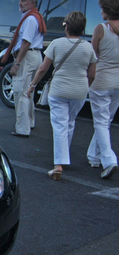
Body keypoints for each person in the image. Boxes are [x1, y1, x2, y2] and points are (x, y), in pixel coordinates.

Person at [27, 11, 97, 181]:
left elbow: (43, 68)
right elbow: (92, 73)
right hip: (79, 91)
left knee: (59, 124)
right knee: (70, 123)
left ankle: (59, 164)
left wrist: (33, 85)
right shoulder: (88, 47)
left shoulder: (57, 44)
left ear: (66, 26)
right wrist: (86, 86)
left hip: (59, 90)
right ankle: (64, 159)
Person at [1, 0, 46, 138]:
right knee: (29, 92)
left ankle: (22, 128)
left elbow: (26, 42)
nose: (20, 3)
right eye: (20, 0)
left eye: (23, 0)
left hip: (27, 56)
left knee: (21, 92)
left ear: (32, 2)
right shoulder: (35, 17)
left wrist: (17, 63)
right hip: (34, 55)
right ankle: (29, 122)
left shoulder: (30, 19)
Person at [86, 0, 119, 179]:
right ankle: (94, 156)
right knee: (106, 120)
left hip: (101, 80)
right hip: (118, 81)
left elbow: (93, 57)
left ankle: (109, 160)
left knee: (100, 121)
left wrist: (88, 81)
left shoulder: (101, 29)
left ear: (107, 10)